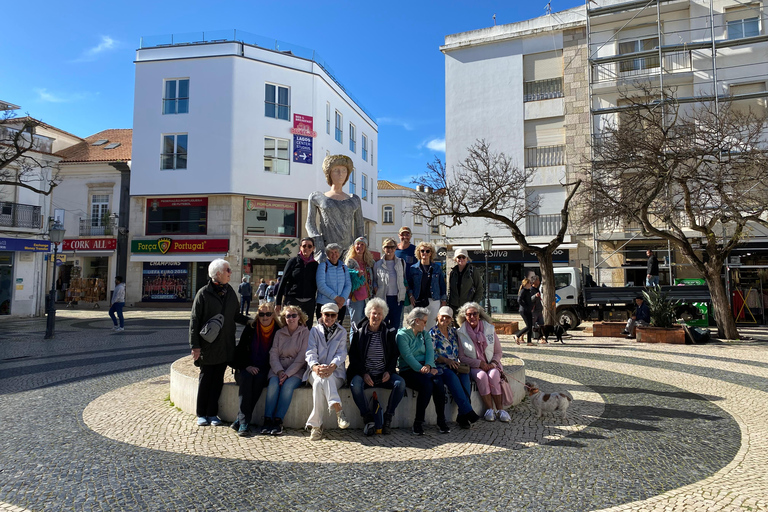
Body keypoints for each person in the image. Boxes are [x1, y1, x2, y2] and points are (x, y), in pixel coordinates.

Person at [189, 259, 250, 427]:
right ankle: (201, 413)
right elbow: (194, 321)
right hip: (208, 346)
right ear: (218, 274)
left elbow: (235, 315)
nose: (230, 272)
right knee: (206, 379)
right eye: (227, 270)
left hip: (225, 344)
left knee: (218, 380)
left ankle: (212, 413)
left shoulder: (230, 291)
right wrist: (195, 346)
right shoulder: (203, 293)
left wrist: (253, 321)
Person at [348, 297, 406, 435]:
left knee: (401, 383)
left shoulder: (389, 331)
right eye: (374, 313)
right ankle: (367, 417)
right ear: (368, 314)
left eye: (380, 314)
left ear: (383, 315)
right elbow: (353, 357)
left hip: (383, 374)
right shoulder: (359, 331)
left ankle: (388, 417)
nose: (376, 316)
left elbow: (394, 355)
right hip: (365, 375)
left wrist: (389, 371)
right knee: (355, 385)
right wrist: (363, 373)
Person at [397, 307, 448, 435]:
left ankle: (441, 420)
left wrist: (429, 366)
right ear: (417, 321)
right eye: (424, 322)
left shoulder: (424, 334)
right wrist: (421, 369)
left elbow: (430, 352)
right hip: (408, 369)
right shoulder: (402, 335)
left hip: (425, 368)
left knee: (438, 383)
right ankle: (418, 422)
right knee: (427, 385)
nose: (426, 324)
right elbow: (407, 356)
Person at [457, 302, 510, 423]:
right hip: (475, 365)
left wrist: (493, 363)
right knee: (482, 377)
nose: (472, 317)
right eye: (469, 314)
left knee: (494, 375)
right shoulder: (461, 332)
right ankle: (489, 409)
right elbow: (462, 356)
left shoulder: (489, 329)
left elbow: (498, 352)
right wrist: (479, 363)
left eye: (474, 314)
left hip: (491, 363)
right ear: (465, 316)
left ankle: (500, 410)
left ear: (479, 315)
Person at [304, 303, 350, 441]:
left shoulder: (342, 332)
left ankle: (316, 427)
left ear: (336, 316)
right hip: (315, 370)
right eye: (326, 314)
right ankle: (338, 410)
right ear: (321, 315)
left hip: (335, 372)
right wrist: (315, 366)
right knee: (319, 379)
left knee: (320, 383)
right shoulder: (314, 331)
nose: (329, 318)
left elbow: (342, 353)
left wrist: (332, 366)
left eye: (332, 315)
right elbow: (310, 351)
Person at [430, 306, 481, 429]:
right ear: (438, 316)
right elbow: (431, 353)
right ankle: (468, 411)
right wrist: (446, 360)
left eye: (448, 317)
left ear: (451, 319)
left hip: (455, 364)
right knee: (452, 377)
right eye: (443, 316)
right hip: (441, 366)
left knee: (465, 376)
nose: (445, 319)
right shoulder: (432, 333)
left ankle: (462, 415)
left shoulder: (453, 331)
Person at [262, 305, 310, 436]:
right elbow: (273, 353)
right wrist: (279, 371)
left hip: (296, 370)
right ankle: (267, 419)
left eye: (294, 315)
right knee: (273, 385)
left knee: (287, 387)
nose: (291, 318)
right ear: (284, 318)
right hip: (278, 368)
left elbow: (301, 358)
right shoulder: (279, 333)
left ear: (299, 317)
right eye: (288, 316)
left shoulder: (305, 333)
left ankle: (278, 420)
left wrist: (288, 374)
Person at [231, 302, 278, 436]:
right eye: (261, 314)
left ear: (273, 315)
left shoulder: (278, 330)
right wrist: (247, 366)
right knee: (246, 378)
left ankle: (241, 419)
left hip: (265, 368)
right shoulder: (251, 328)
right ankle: (244, 423)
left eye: (268, 314)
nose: (265, 317)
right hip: (247, 366)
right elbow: (239, 351)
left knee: (258, 379)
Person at [306, 154, 364, 262]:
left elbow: (360, 227)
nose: (340, 174)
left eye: (344, 170)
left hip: (348, 251)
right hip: (327, 251)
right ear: (329, 173)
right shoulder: (317, 197)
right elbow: (310, 224)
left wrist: (360, 249)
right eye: (336, 170)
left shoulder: (354, 199)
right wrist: (319, 245)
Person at [275, 237, 319, 328]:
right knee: (289, 327)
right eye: (304, 246)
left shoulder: (315, 265)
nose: (306, 248)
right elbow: (283, 282)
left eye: (309, 246)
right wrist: (278, 302)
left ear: (313, 248)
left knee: (306, 329)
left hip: (308, 302)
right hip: (292, 300)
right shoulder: (293, 262)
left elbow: (318, 284)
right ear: (300, 247)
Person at [407, 241, 446, 328]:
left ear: (431, 253)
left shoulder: (437, 268)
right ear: (419, 252)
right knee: (418, 326)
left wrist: (443, 301)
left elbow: (442, 285)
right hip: (418, 300)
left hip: (433, 300)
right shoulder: (413, 268)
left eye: (427, 251)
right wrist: (410, 296)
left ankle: (430, 342)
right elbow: (409, 284)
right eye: (422, 251)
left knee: (431, 326)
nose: (425, 253)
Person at [373, 237, 408, 329]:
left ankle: (393, 343)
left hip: (397, 299)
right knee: (382, 324)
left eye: (392, 247)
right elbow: (374, 280)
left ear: (395, 248)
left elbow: (404, 278)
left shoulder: (401, 262)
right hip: (383, 298)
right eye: (387, 247)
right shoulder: (377, 264)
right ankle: (384, 343)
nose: (390, 249)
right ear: (383, 248)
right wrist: (376, 288)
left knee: (396, 325)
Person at [315, 243, 352, 324]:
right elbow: (321, 285)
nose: (334, 255)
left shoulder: (344, 267)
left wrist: (342, 299)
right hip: (325, 304)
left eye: (336, 252)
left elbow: (348, 284)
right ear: (327, 254)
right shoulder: (322, 266)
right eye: (331, 252)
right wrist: (336, 298)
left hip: (340, 305)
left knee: (337, 331)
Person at [346, 236, 375, 334]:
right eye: (358, 244)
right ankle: (355, 348)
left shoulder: (369, 262)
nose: (360, 246)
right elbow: (346, 279)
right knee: (355, 325)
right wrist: (355, 275)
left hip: (368, 297)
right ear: (354, 246)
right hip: (355, 298)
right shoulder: (349, 262)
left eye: (362, 244)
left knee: (366, 325)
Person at [447, 248, 484, 316]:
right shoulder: (453, 273)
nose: (461, 259)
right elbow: (450, 290)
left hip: (468, 307)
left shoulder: (472, 272)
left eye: (463, 257)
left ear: (467, 259)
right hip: (454, 308)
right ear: (455, 259)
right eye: (459, 257)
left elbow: (479, 289)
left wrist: (474, 304)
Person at [514, 279, 535, 345]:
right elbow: (519, 300)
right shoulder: (523, 291)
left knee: (530, 325)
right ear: (526, 284)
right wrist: (526, 307)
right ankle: (517, 335)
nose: (530, 284)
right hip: (524, 310)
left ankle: (529, 341)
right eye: (529, 283)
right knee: (528, 326)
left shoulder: (528, 291)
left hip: (529, 310)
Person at [530, 275, 546, 344]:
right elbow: (530, 299)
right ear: (535, 281)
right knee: (530, 325)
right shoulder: (531, 290)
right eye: (538, 280)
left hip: (539, 310)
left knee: (541, 324)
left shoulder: (537, 289)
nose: (539, 281)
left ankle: (541, 338)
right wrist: (535, 296)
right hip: (534, 310)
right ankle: (520, 335)